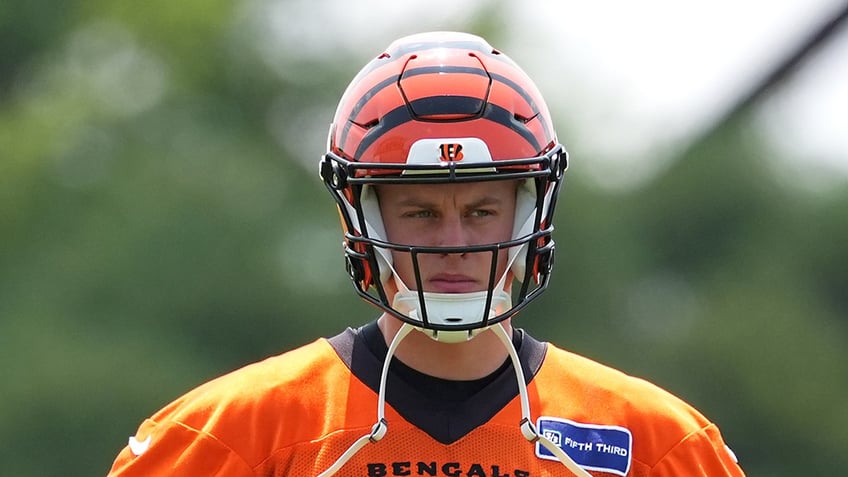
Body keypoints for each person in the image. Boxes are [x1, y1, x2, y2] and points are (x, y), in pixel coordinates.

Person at [106, 31, 745, 477]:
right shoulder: (229, 436)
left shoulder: (656, 445)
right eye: (420, 212)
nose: (454, 243)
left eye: (481, 211)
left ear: (531, 214)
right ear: (361, 216)